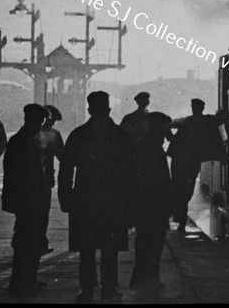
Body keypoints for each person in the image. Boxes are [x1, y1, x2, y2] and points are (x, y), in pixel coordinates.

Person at [58, 91, 134, 303]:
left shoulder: (78, 135)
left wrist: (65, 197)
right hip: (114, 201)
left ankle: (88, 287)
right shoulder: (121, 136)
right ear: (108, 109)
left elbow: (66, 169)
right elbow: (131, 172)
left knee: (87, 248)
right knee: (110, 249)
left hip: (85, 200)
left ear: (89, 109)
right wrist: (130, 203)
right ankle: (109, 288)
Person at [2, 103, 51, 299]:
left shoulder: (24, 139)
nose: (41, 124)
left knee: (31, 240)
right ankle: (21, 282)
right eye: (40, 121)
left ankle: (28, 279)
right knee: (26, 242)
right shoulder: (24, 141)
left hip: (32, 200)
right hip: (29, 200)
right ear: (34, 120)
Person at [129, 111, 174, 294]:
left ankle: (143, 279)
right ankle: (148, 281)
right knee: (153, 245)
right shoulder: (152, 149)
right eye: (163, 129)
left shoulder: (143, 145)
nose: (165, 133)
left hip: (145, 206)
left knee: (146, 244)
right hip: (153, 206)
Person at [167, 98, 217, 233]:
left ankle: (178, 217)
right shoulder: (205, 121)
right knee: (187, 190)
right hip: (193, 160)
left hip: (179, 160)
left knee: (179, 188)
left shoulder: (185, 123)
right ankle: (181, 218)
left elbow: (170, 129)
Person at [37, 104, 65, 256]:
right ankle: (41, 243)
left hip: (28, 181)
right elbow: (62, 156)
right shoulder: (54, 134)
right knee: (42, 213)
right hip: (46, 179)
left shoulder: (29, 134)